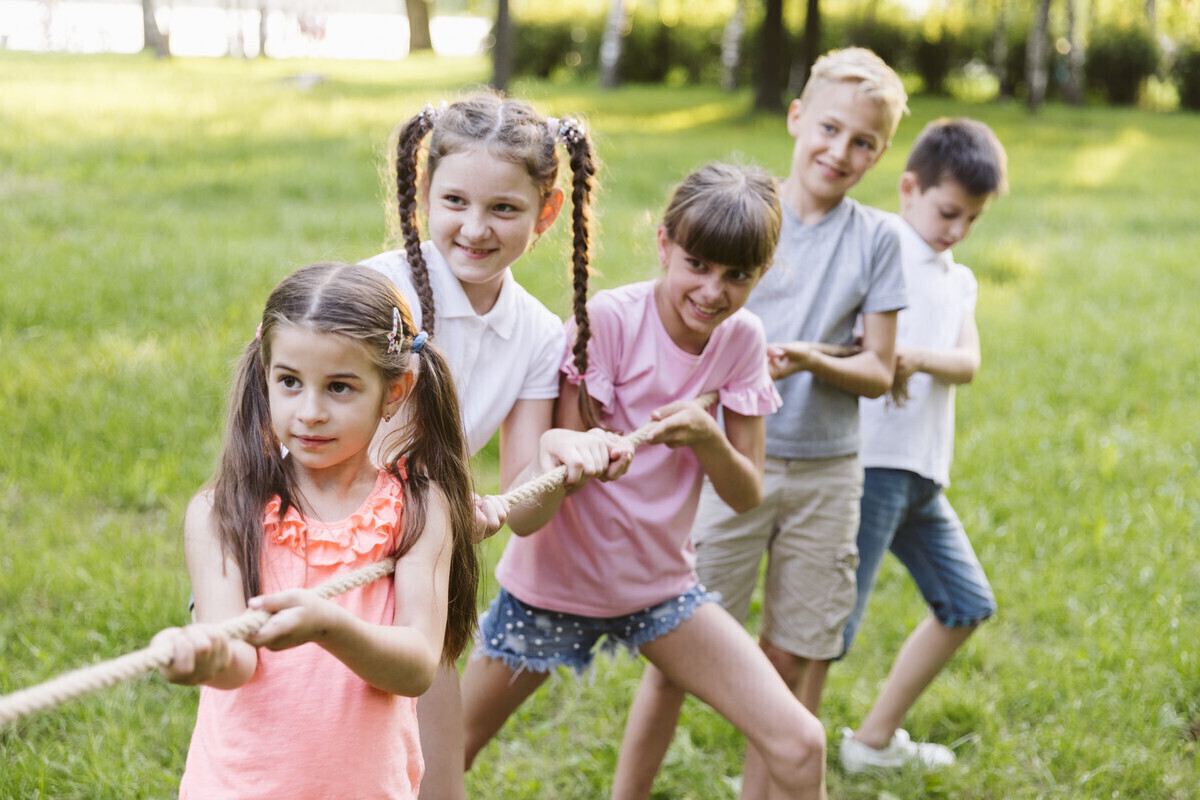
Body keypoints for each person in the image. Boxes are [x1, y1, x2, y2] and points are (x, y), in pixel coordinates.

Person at [461, 163, 829, 800]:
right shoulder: (608, 320)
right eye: (698, 265)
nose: (712, 291)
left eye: (736, 276)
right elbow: (555, 479)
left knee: (802, 743)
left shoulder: (742, 340)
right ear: (664, 245)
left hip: (659, 590)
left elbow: (746, 494)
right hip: (553, 587)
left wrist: (707, 436)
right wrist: (584, 452)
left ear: (762, 273)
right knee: (444, 748)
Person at [613, 48, 910, 799]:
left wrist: (806, 358)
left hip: (825, 471)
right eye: (830, 129)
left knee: (790, 659)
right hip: (730, 463)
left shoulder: (877, 240)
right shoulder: (739, 213)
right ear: (797, 118)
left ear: (880, 153)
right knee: (678, 655)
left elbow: (880, 369)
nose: (840, 152)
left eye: (863, 142)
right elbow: (676, 317)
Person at [359, 92, 627, 800]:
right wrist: (443, 504)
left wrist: (561, 459)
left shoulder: (537, 334)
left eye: (504, 208)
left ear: (548, 211)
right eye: (455, 201)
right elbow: (318, 441)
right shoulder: (376, 292)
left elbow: (526, 510)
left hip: (424, 572)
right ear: (425, 193)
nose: (475, 228)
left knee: (434, 781)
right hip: (325, 554)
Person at [153, 262, 480, 799]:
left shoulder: (419, 508)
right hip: (239, 787)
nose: (310, 412)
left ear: (394, 391)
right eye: (289, 382)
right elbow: (236, 660)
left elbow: (418, 665)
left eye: (339, 387)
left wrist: (329, 627)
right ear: (265, 376)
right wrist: (205, 655)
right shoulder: (223, 510)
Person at [837, 117, 1007, 773]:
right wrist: (885, 355)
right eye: (948, 212)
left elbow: (968, 363)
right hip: (873, 467)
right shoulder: (880, 249)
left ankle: (871, 742)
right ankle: (776, 761)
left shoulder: (958, 278)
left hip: (923, 476)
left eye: (973, 219)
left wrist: (911, 357)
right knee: (829, 632)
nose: (957, 230)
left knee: (966, 604)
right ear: (909, 188)